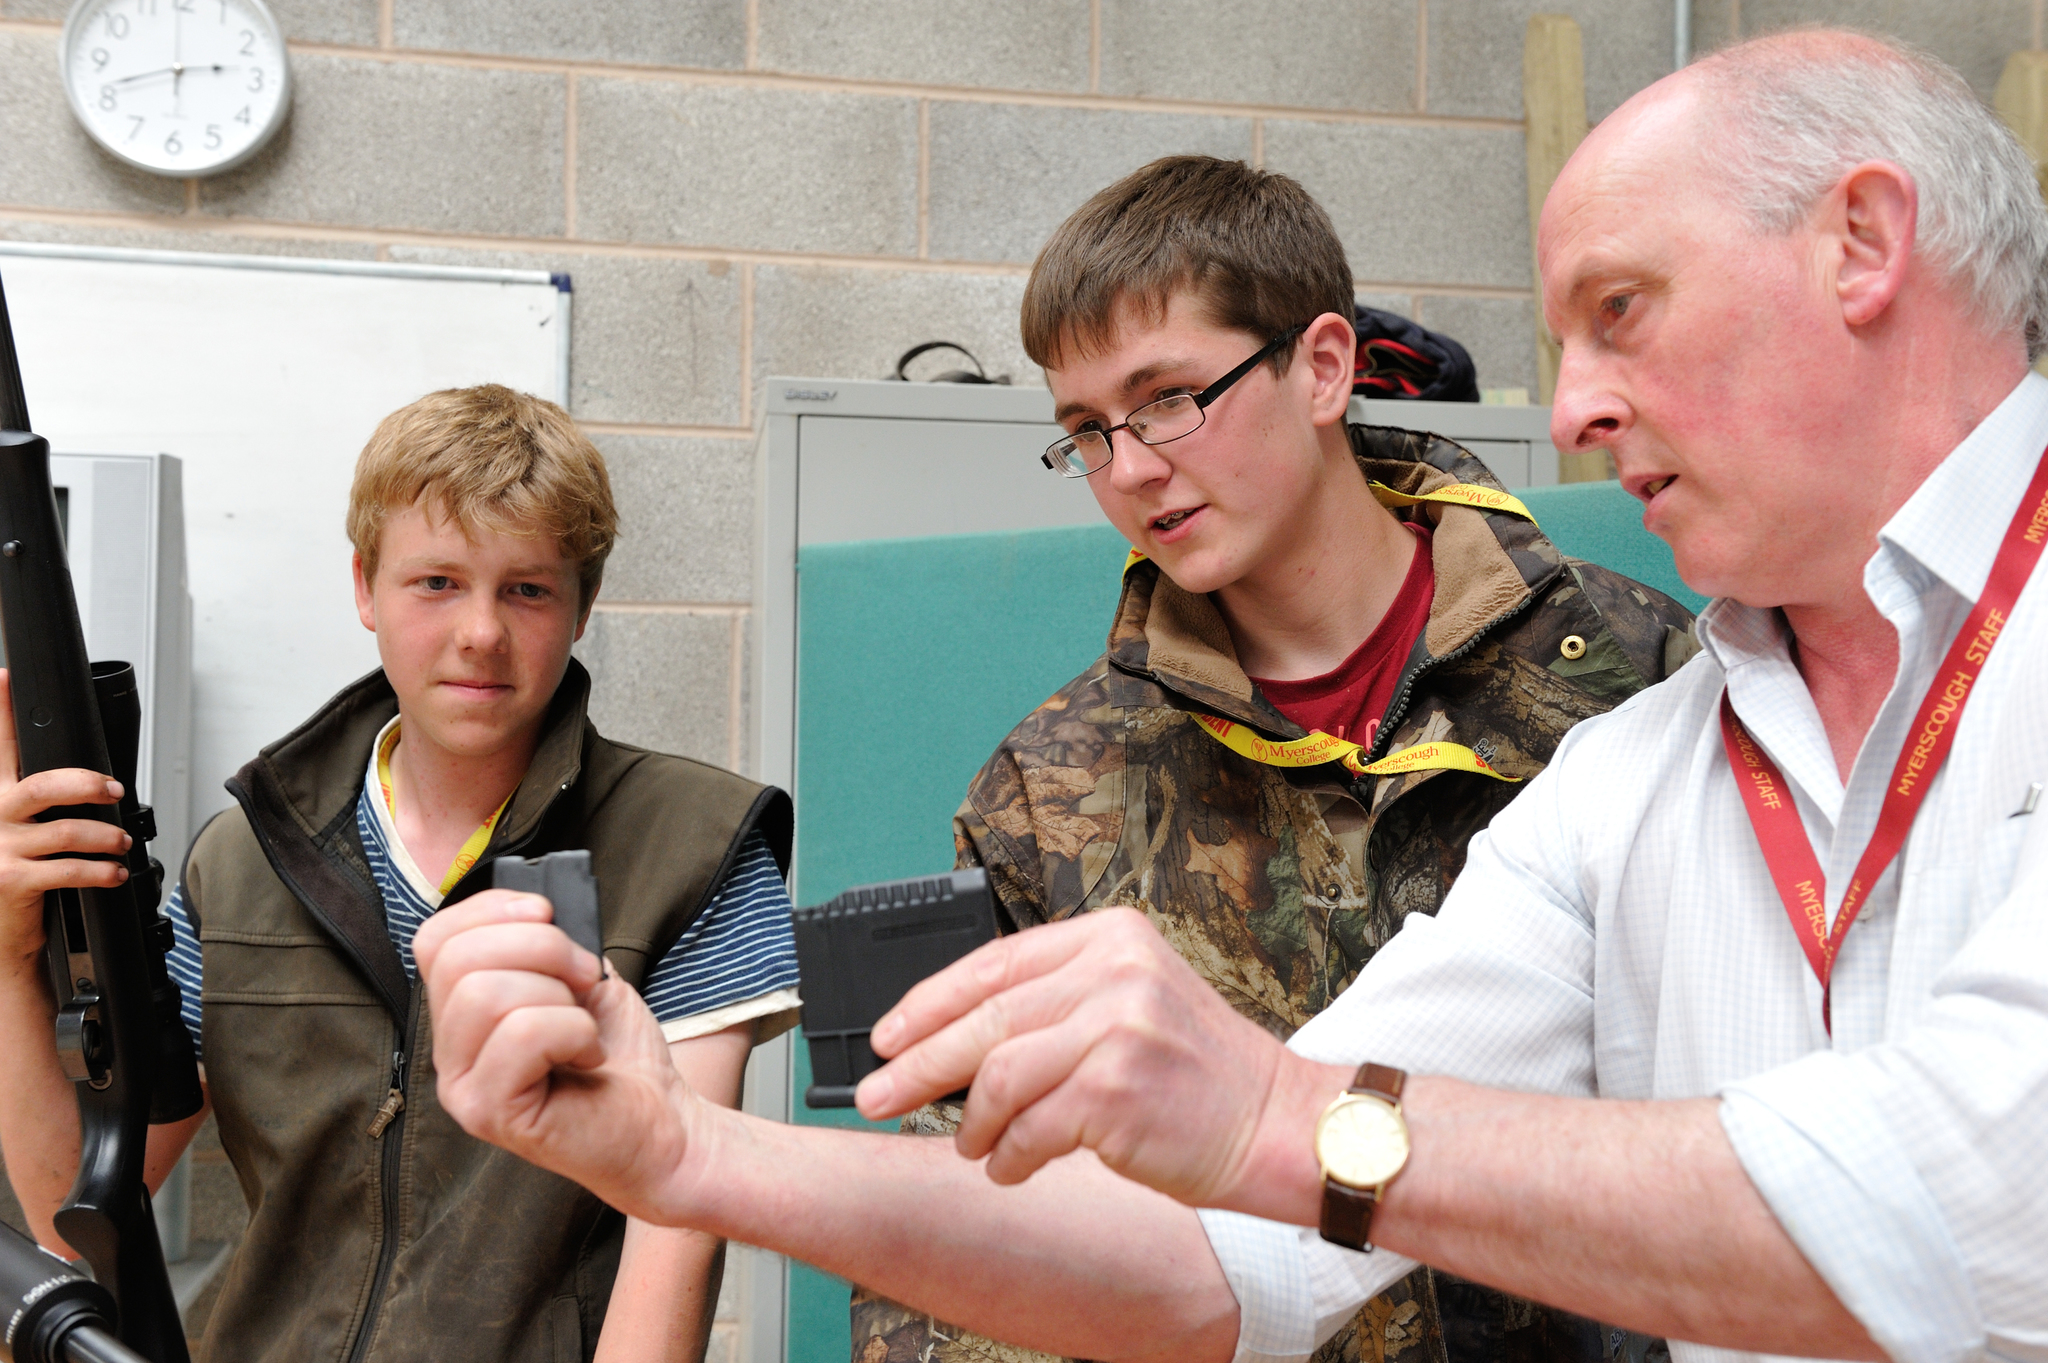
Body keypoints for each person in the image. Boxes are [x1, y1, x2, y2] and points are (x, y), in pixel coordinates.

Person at [422, 29, 2048, 1363]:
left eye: (1620, 311)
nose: (1572, 411)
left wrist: (1273, 1108)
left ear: (1859, 242)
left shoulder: (1624, 671)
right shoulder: (1649, 768)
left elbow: (1975, 1198)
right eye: (1088, 429)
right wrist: (697, 1156)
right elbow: (1230, 1250)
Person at [848, 155, 1695, 1363]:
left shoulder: (1629, 674)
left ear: (1322, 366)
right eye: (1085, 432)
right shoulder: (1050, 790)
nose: (1130, 468)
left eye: (1169, 399)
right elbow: (969, 1228)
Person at [0, 385, 802, 1362]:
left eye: (527, 588)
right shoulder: (242, 858)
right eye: (436, 582)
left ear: (583, 606)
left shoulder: (697, 845)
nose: (479, 633)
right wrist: (8, 957)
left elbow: (680, 1222)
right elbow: (77, 1217)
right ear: (364, 586)